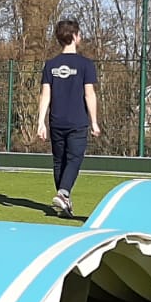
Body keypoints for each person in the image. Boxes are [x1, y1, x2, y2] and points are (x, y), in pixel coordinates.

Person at [36, 19, 100, 218]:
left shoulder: (51, 65)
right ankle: (63, 193)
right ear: (74, 36)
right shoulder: (85, 65)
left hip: (56, 121)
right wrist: (94, 121)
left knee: (59, 161)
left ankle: (64, 201)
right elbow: (89, 94)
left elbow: (45, 94)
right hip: (77, 121)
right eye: (79, 34)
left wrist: (41, 122)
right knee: (74, 159)